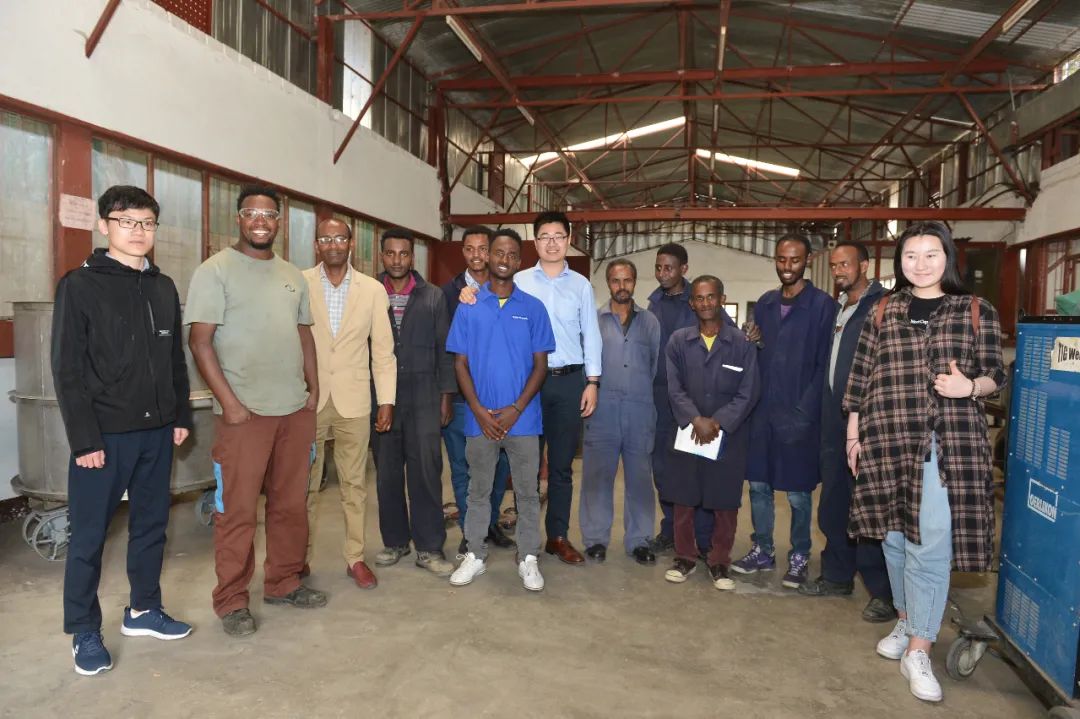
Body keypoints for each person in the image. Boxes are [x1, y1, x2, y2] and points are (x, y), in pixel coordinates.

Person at [845, 222, 1004, 703]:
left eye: (931, 254)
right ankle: (906, 619)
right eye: (910, 255)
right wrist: (853, 434)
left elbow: (996, 373)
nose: (920, 263)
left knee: (928, 544)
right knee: (892, 538)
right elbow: (861, 376)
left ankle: (919, 648)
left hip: (944, 445)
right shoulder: (883, 310)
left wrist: (969, 387)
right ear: (900, 262)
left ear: (948, 258)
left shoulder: (974, 309)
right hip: (885, 440)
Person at [52, 185, 194, 675]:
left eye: (147, 223)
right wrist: (84, 439)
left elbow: (174, 359)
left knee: (151, 526)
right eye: (127, 221)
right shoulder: (79, 285)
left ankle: (144, 610)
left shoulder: (163, 286)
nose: (138, 231)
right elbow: (67, 368)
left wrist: (179, 415)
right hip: (104, 437)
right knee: (89, 536)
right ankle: (83, 630)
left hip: (157, 432)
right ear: (104, 226)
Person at [186, 184, 326, 638]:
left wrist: (313, 389)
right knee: (237, 511)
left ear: (279, 222)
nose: (261, 222)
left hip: (294, 411)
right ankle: (231, 600)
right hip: (243, 415)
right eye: (252, 213)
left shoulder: (292, 276)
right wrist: (229, 403)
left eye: (269, 215)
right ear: (239, 219)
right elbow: (199, 342)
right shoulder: (215, 271)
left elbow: (303, 333)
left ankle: (284, 582)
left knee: (291, 505)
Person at [459, 211, 601, 564]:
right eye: (544, 236)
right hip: (525, 385)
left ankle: (557, 537)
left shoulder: (581, 285)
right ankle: (504, 535)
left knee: (562, 467)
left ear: (569, 240)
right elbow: (484, 297)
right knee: (518, 466)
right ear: (534, 242)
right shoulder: (517, 278)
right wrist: (467, 293)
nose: (552, 243)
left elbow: (591, 334)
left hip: (568, 381)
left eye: (558, 236)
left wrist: (592, 381)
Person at [447, 229, 556, 591]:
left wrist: (516, 408)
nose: (504, 260)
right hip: (480, 419)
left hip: (523, 419)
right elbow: (460, 363)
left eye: (511, 255)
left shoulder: (533, 308)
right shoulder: (469, 305)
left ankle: (528, 558)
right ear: (488, 257)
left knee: (527, 493)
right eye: (498, 253)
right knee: (478, 491)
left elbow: (540, 365)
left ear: (519, 261)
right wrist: (478, 410)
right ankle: (475, 555)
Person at [798, 242, 895, 623]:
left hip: (867, 422)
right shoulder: (839, 307)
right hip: (833, 421)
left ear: (865, 266)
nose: (838, 271)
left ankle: (883, 592)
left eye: (846, 264)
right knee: (834, 503)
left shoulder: (883, 306)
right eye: (834, 265)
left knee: (868, 509)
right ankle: (837, 576)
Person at [734, 233, 833, 588]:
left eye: (794, 260)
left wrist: (805, 412)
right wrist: (756, 341)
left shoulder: (822, 306)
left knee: (798, 493)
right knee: (759, 485)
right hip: (763, 411)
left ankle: (799, 555)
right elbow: (762, 352)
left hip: (799, 412)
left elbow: (825, 365)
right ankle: (762, 549)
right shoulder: (765, 303)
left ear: (807, 260)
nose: (787, 266)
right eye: (781, 259)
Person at [302, 217, 396, 590]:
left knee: (354, 485)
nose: (333, 244)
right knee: (304, 485)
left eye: (340, 238)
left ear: (351, 243)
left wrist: (386, 400)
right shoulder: (299, 284)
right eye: (326, 239)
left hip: (354, 401)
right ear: (316, 245)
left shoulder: (372, 290)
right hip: (308, 399)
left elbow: (383, 352)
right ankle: (299, 557)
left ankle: (355, 557)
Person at [662, 276, 760, 589]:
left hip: (727, 436)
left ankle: (720, 562)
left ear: (722, 299)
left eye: (711, 297)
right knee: (684, 499)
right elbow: (674, 387)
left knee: (724, 502)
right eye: (699, 298)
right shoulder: (678, 341)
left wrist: (717, 422)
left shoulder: (742, 344)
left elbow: (749, 391)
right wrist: (695, 419)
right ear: (691, 303)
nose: (705, 303)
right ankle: (685, 557)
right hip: (689, 432)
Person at [372, 228, 457, 577]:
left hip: (424, 395)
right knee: (387, 473)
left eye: (403, 253)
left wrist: (446, 396)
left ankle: (429, 547)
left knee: (426, 472)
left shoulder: (432, 296)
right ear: (382, 255)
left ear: (412, 257)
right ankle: (395, 541)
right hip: (382, 397)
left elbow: (446, 350)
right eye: (390, 253)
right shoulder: (370, 293)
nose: (397, 260)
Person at [647, 244, 734, 555]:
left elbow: (729, 339)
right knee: (664, 470)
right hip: (661, 400)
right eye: (658, 267)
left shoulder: (699, 300)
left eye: (669, 267)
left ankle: (703, 536)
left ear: (683, 269)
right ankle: (671, 529)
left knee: (698, 469)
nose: (662, 273)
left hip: (696, 401)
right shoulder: (653, 304)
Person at [579, 259, 661, 565]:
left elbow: (654, 366)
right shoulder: (593, 321)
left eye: (627, 280)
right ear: (608, 283)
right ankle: (595, 540)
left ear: (635, 282)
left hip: (640, 410)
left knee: (640, 479)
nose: (622, 286)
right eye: (616, 280)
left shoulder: (650, 322)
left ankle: (639, 540)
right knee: (597, 478)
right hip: (602, 410)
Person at [441, 226, 514, 554]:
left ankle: (490, 523)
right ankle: (471, 529)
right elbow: (445, 350)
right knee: (462, 466)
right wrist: (446, 395)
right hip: (461, 398)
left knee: (499, 465)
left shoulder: (510, 289)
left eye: (483, 248)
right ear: (463, 253)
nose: (477, 255)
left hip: (500, 398)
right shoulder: (448, 294)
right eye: (469, 249)